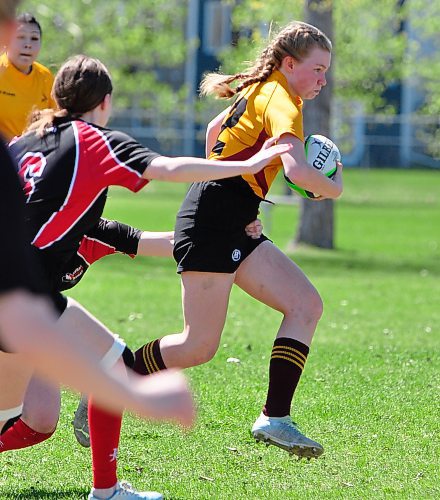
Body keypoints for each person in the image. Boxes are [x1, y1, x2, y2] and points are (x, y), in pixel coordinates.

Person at [7, 53, 290, 500]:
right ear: (105, 102)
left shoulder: (25, 144)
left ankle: (108, 491)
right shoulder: (93, 140)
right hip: (21, 295)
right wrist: (247, 165)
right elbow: (169, 169)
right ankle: (107, 493)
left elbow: (139, 240)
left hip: (19, 297)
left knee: (35, 419)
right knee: (116, 364)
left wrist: (222, 234)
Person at [132, 20, 344, 460]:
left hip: (232, 215)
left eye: (327, 71)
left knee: (306, 305)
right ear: (290, 63)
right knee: (198, 345)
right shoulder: (282, 98)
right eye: (318, 69)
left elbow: (215, 133)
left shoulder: (262, 89)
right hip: (212, 220)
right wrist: (335, 186)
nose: (323, 79)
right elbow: (298, 172)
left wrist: (246, 199)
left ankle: (275, 418)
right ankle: (109, 380)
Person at [0, 12, 56, 140]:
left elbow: (57, 117)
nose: (28, 45)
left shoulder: (45, 77)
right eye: (20, 37)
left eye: (34, 39)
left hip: (35, 155)